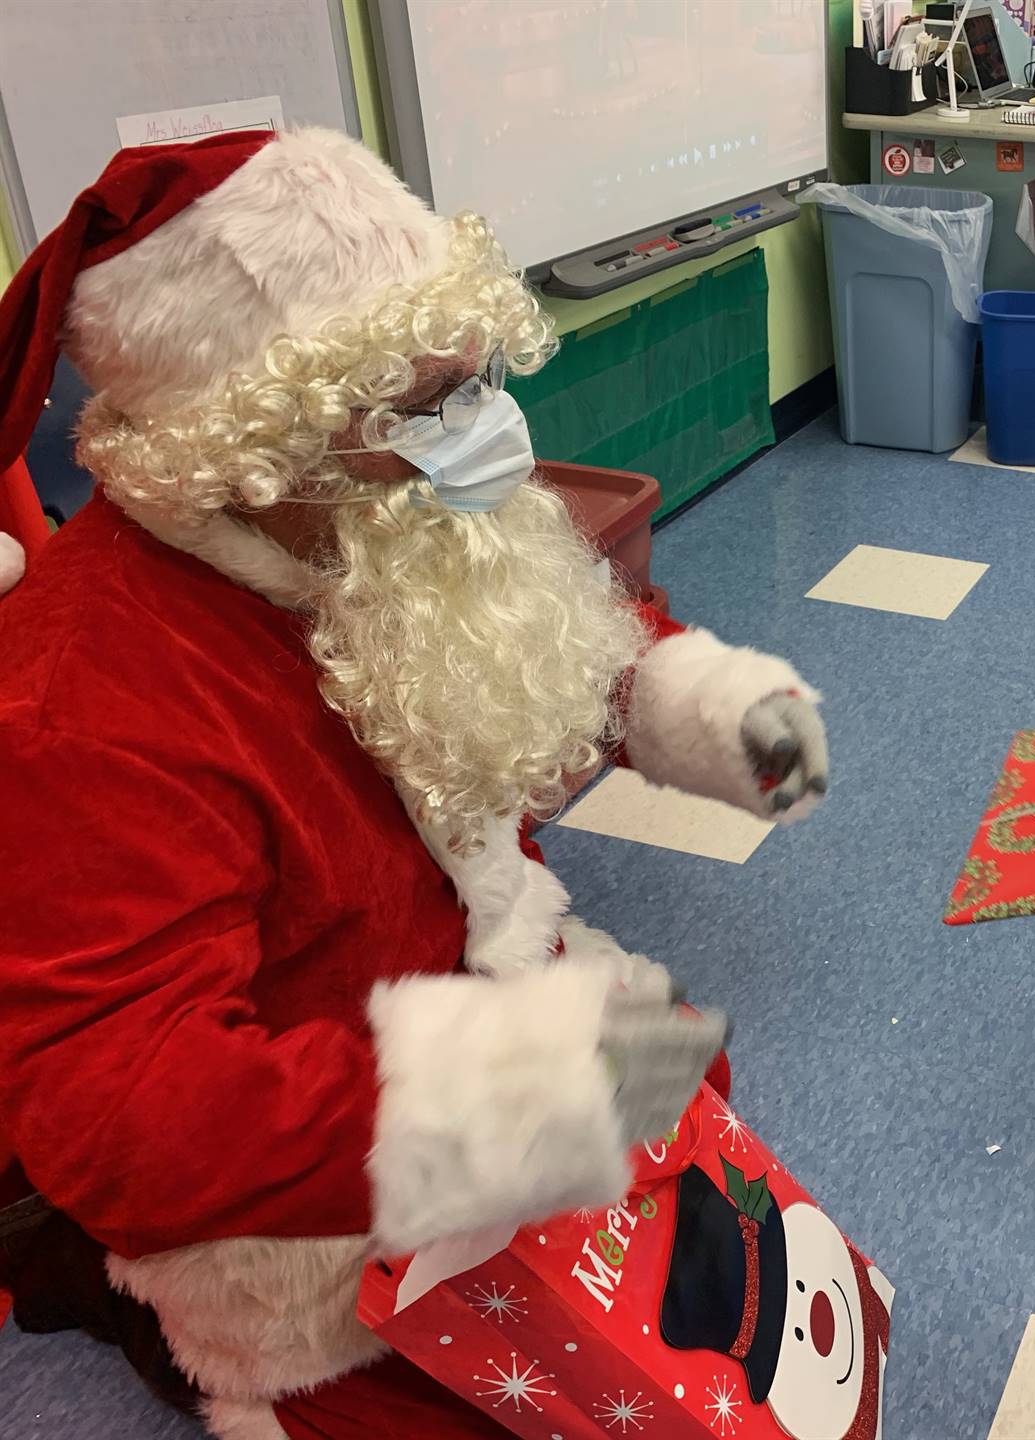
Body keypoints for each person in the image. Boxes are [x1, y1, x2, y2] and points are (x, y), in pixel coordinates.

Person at [0, 129, 827, 1438]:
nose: (492, 438)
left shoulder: (381, 506)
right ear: (251, 448)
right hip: (321, 1241)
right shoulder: (81, 702)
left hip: (506, 1013)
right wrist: (521, 1094)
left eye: (478, 380)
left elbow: (542, 630)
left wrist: (699, 707)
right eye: (433, 404)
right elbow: (130, 1116)